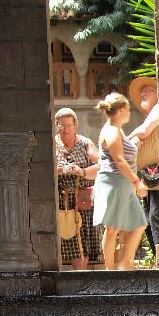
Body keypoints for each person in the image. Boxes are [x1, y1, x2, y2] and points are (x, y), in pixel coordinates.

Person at [93, 93, 148, 271]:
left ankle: (125, 263)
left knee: (139, 224)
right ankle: (110, 271)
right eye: (128, 109)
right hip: (115, 181)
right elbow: (118, 159)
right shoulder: (111, 131)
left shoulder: (117, 130)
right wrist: (137, 181)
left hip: (123, 183)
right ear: (122, 110)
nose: (130, 112)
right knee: (112, 228)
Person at [54, 108, 102, 270]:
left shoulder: (85, 143)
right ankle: (75, 277)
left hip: (82, 198)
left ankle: (81, 275)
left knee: (83, 240)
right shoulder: (52, 144)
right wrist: (56, 170)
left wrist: (81, 171)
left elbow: (101, 165)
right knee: (68, 240)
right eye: (62, 125)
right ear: (56, 126)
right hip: (62, 201)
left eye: (69, 125)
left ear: (75, 125)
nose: (66, 129)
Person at [127, 77, 159, 255]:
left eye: (147, 90)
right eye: (142, 92)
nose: (142, 94)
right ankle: (157, 256)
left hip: (158, 176)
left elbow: (143, 132)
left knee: (155, 216)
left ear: (158, 94)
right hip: (148, 178)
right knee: (147, 219)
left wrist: (123, 142)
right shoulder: (149, 115)